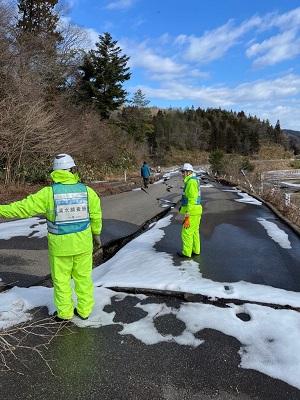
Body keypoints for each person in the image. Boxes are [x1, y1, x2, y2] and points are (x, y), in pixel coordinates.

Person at [0, 154, 102, 321]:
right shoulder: (87, 191)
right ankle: (84, 311)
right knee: (83, 278)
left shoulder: (48, 194)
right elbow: (96, 216)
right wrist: (96, 234)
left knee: (61, 281)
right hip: (83, 245)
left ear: (54, 172)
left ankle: (65, 313)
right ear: (72, 170)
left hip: (60, 247)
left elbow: (21, 208)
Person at [178, 163, 202, 258]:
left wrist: (187, 214)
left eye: (184, 172)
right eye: (182, 172)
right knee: (194, 231)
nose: (182, 173)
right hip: (196, 211)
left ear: (189, 172)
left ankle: (186, 253)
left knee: (186, 233)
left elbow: (192, 199)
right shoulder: (193, 180)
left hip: (192, 212)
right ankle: (196, 250)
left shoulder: (191, 182)